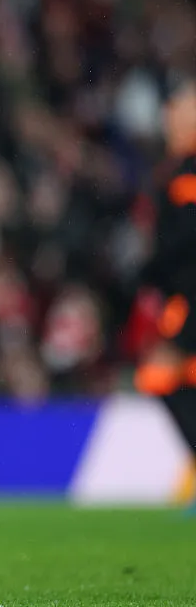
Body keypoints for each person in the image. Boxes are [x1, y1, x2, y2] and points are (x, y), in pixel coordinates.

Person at [135, 80, 196, 474]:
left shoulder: (187, 176)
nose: (170, 124)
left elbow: (186, 236)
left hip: (189, 299)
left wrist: (151, 270)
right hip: (182, 296)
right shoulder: (175, 172)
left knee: (158, 376)